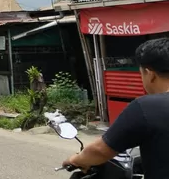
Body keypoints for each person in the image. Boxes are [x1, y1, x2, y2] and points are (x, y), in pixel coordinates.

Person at [62, 38, 169, 178]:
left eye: (141, 73)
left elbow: (101, 150)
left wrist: (74, 159)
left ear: (150, 74)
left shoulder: (146, 107)